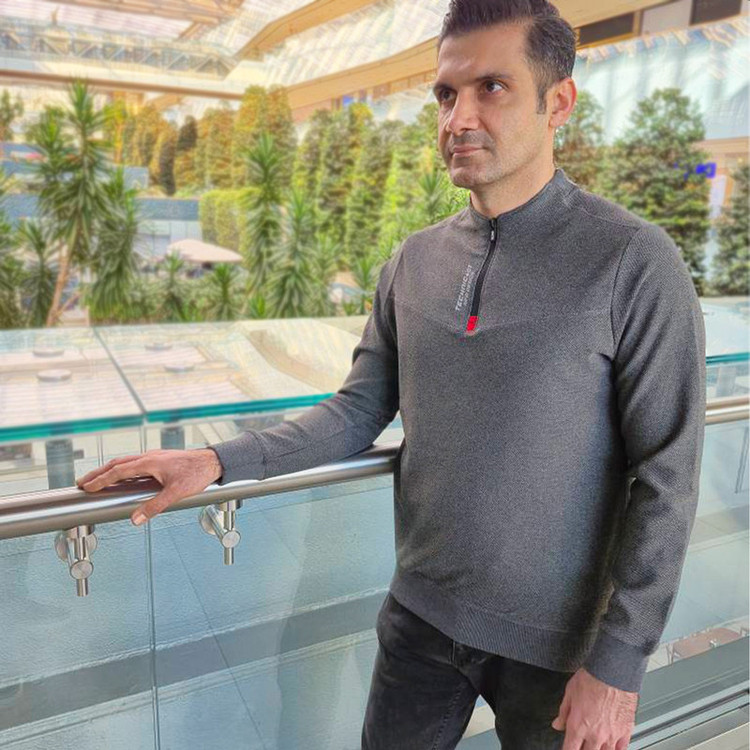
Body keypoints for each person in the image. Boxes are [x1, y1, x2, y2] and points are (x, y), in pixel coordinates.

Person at [76, 0, 707, 747]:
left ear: (558, 102)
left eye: (492, 88)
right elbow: (355, 411)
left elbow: (666, 476)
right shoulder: (414, 261)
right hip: (420, 620)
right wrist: (216, 461)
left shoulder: (633, 262)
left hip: (562, 652)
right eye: (445, 93)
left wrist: (619, 663)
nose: (458, 118)